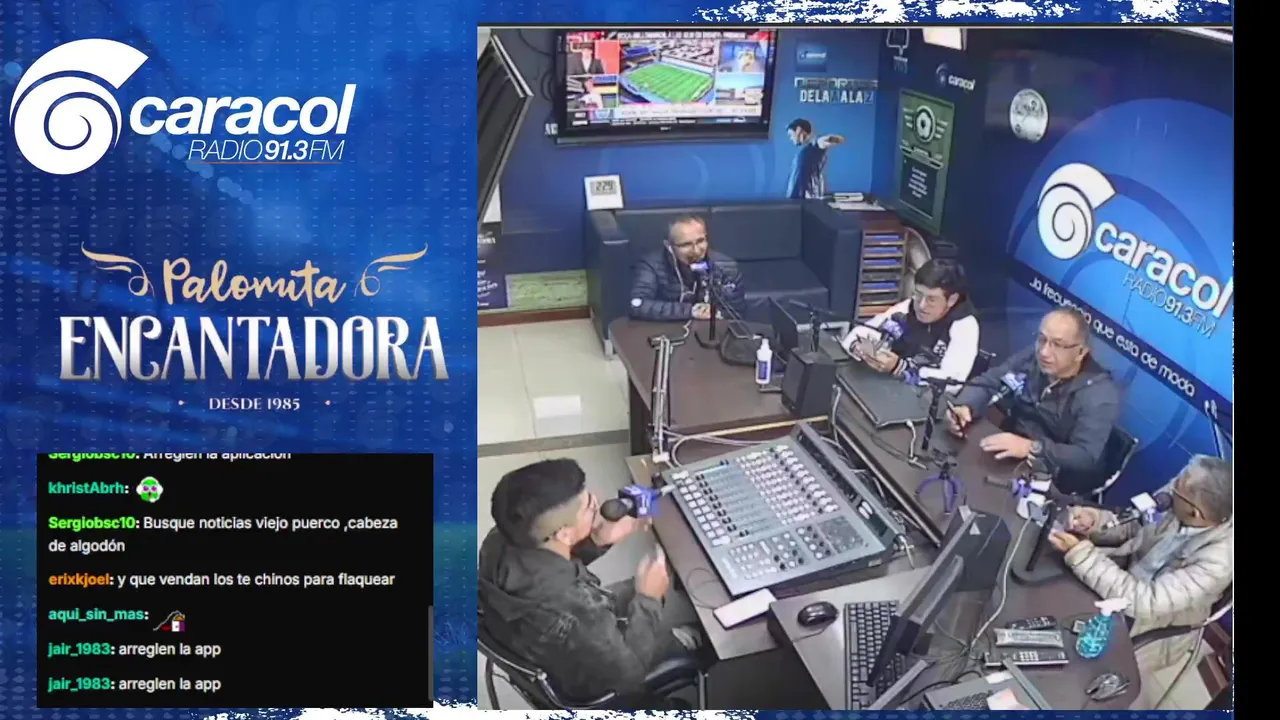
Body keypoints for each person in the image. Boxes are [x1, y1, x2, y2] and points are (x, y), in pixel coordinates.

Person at [478, 459, 703, 704]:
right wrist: (648, 600)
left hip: (536, 638)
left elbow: (545, 567)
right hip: (590, 677)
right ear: (564, 533)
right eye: (588, 506)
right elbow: (629, 677)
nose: (597, 503)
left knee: (638, 587)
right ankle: (688, 643)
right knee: (681, 622)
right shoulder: (579, 610)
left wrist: (596, 540)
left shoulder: (498, 540)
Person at [1049, 455, 1233, 709]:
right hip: (1123, 575)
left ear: (1195, 513)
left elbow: (1145, 602)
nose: (1170, 488)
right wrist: (1094, 522)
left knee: (1080, 673)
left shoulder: (1220, 560)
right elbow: (1133, 526)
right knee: (1051, 599)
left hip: (1152, 621)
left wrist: (1082, 555)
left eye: (1177, 489)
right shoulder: (1180, 496)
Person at [948, 307, 1120, 495]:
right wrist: (965, 406)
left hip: (1051, 480)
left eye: (1057, 344)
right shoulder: (1034, 357)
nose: (1044, 352)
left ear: (1080, 352)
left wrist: (1031, 447)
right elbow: (991, 380)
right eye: (1042, 339)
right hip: (1006, 451)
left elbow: (1085, 455)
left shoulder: (1100, 394)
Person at [839, 259, 979, 388]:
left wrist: (900, 368)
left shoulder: (965, 326)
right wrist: (858, 348)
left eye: (931, 299)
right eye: (918, 294)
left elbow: (952, 383)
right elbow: (861, 332)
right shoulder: (908, 308)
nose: (922, 305)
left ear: (952, 300)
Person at [629, 215, 747, 322]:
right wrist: (690, 311)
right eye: (686, 244)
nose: (696, 251)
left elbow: (736, 312)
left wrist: (717, 313)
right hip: (665, 331)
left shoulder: (726, 266)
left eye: (700, 241)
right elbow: (637, 304)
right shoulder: (651, 265)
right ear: (669, 246)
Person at [786, 118, 845, 199]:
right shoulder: (802, 152)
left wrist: (832, 139)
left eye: (791, 135)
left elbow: (838, 139)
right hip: (795, 198)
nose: (790, 138)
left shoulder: (816, 144)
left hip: (807, 199)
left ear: (798, 130)